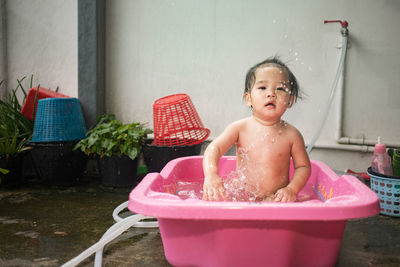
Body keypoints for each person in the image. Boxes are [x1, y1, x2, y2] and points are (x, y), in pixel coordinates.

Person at [202, 57, 311, 202]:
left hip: (275, 199)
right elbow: (214, 148)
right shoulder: (240, 128)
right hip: (241, 197)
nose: (271, 93)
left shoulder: (292, 135)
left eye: (280, 88)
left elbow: (303, 167)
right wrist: (211, 175)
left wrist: (291, 189)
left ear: (290, 100)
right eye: (262, 88)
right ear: (248, 99)